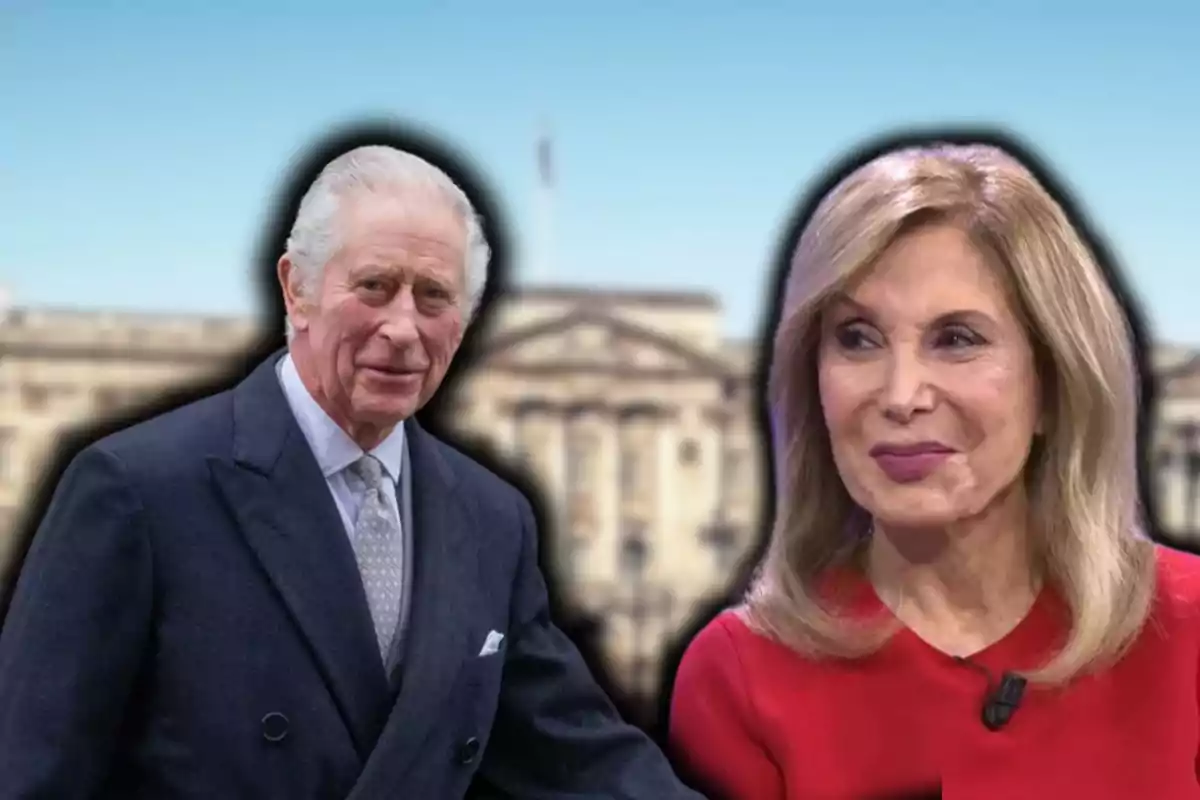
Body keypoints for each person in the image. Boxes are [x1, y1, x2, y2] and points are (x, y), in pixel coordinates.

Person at [0, 144, 707, 799]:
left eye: (434, 296)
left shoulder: (491, 518)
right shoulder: (137, 488)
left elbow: (574, 754)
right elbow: (34, 769)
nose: (404, 328)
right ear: (295, 290)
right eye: (374, 286)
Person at [667, 140, 1200, 799]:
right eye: (857, 338)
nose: (900, 394)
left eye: (956, 339)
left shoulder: (1188, 629)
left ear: (1053, 385)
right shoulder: (740, 677)